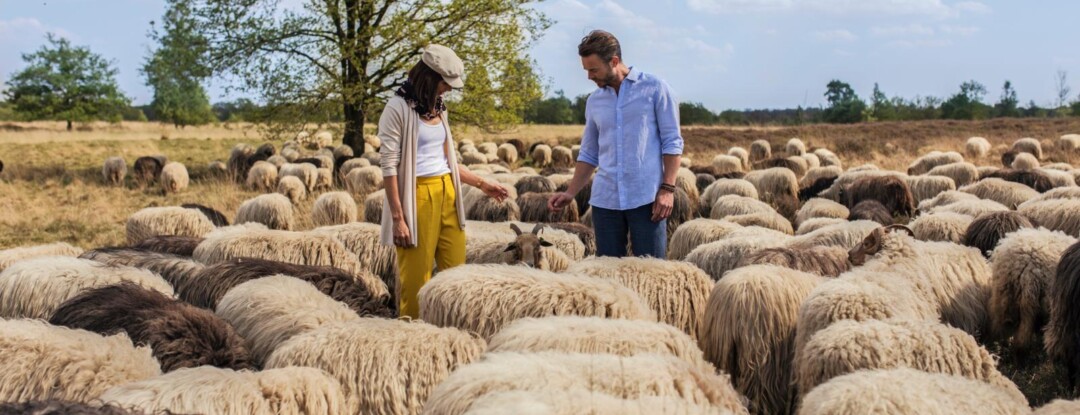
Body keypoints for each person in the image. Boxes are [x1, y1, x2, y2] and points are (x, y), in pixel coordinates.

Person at [379, 44, 509, 318]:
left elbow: (448, 160)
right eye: (445, 83)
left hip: (448, 192)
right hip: (417, 195)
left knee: (456, 273)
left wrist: (482, 184)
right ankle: (412, 339)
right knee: (417, 278)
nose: (448, 89)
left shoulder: (439, 109)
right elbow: (389, 165)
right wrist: (399, 218)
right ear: (429, 77)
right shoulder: (397, 108)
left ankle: (451, 334)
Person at [548, 30, 683, 258]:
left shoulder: (655, 89)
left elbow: (672, 142)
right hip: (605, 201)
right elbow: (589, 153)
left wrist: (668, 189)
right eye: (586, 70)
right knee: (607, 277)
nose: (589, 76)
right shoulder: (594, 101)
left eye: (593, 69)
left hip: (647, 199)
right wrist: (570, 193)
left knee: (652, 274)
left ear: (614, 61)